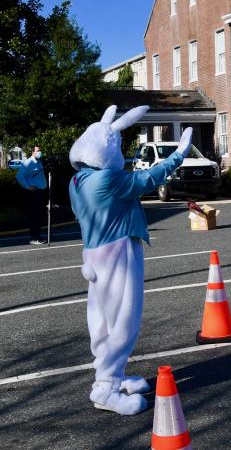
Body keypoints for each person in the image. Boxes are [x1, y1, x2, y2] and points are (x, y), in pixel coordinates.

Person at [69, 104, 191, 415]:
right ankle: (106, 388)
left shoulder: (77, 181)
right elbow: (147, 180)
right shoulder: (108, 179)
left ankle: (112, 375)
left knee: (102, 322)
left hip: (93, 255)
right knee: (124, 322)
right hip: (117, 254)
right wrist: (178, 155)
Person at [16, 145, 47, 245]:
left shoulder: (39, 162)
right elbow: (19, 176)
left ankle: (38, 236)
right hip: (34, 193)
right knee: (35, 215)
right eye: (38, 151)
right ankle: (34, 237)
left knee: (40, 215)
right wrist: (28, 186)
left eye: (40, 150)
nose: (40, 152)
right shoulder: (28, 162)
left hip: (40, 192)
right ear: (32, 152)